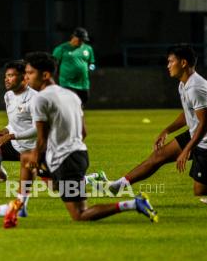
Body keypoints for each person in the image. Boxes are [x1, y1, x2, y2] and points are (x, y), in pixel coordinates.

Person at [24, 51, 157, 222]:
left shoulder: (40, 99)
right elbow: (83, 132)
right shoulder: (70, 95)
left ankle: (133, 204)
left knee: (80, 214)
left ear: (45, 75)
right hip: (79, 154)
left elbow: (41, 138)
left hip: (65, 160)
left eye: (30, 73)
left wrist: (37, 157)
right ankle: (92, 180)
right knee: (54, 185)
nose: (26, 77)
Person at [0, 60, 108, 217]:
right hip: (24, 146)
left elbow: (39, 131)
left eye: (12, 75)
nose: (6, 79)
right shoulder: (9, 96)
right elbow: (15, 123)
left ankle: (91, 181)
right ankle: (20, 204)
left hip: (39, 147)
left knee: (57, 189)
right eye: (6, 76)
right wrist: (5, 131)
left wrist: (12, 136)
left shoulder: (38, 98)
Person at [109, 44, 207, 199]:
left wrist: (187, 149)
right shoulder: (184, 84)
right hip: (196, 136)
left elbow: (204, 124)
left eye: (171, 62)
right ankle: (118, 186)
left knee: (200, 192)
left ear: (183, 63)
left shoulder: (195, 87)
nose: (168, 66)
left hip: (204, 140)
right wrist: (166, 131)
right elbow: (188, 114)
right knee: (158, 156)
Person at [52, 27, 95, 106]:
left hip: (83, 82)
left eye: (83, 40)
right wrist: (55, 76)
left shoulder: (88, 49)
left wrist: (91, 68)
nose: (81, 42)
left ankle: (78, 117)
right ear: (73, 37)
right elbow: (53, 63)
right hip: (67, 82)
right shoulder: (61, 48)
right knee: (70, 103)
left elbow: (92, 63)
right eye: (80, 39)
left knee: (83, 101)